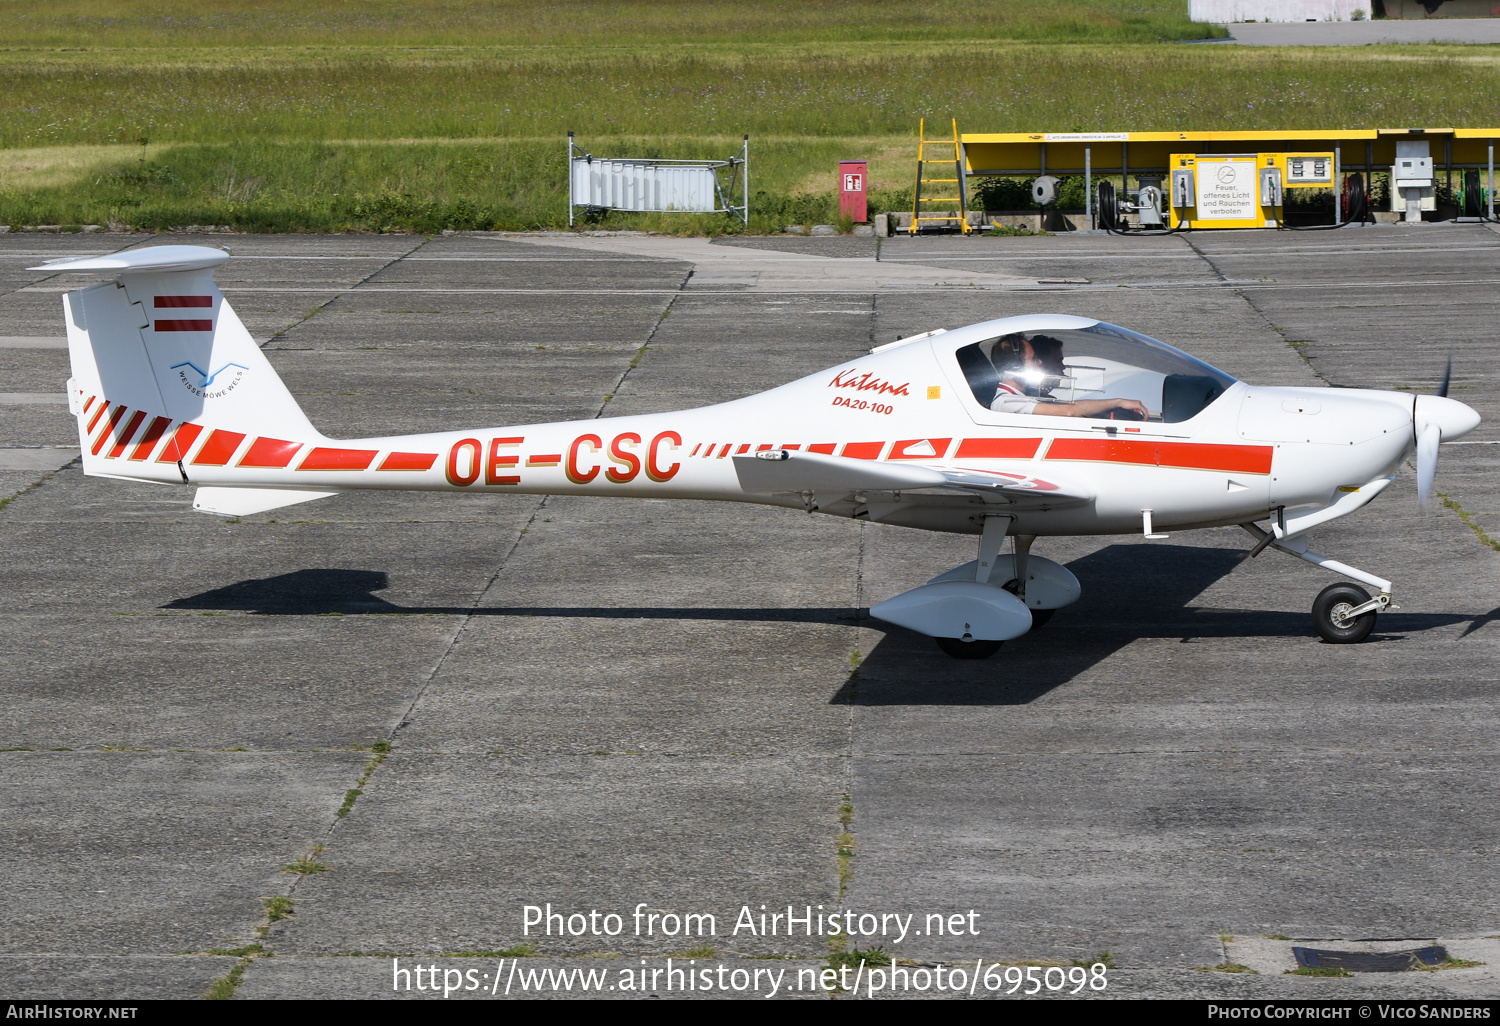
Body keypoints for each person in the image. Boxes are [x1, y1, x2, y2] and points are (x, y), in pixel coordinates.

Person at [989, 334, 1150, 419]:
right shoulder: (1006, 403)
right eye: (1033, 359)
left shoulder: (1021, 397)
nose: (1039, 362)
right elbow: (1068, 411)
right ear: (1014, 367)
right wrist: (1119, 402)